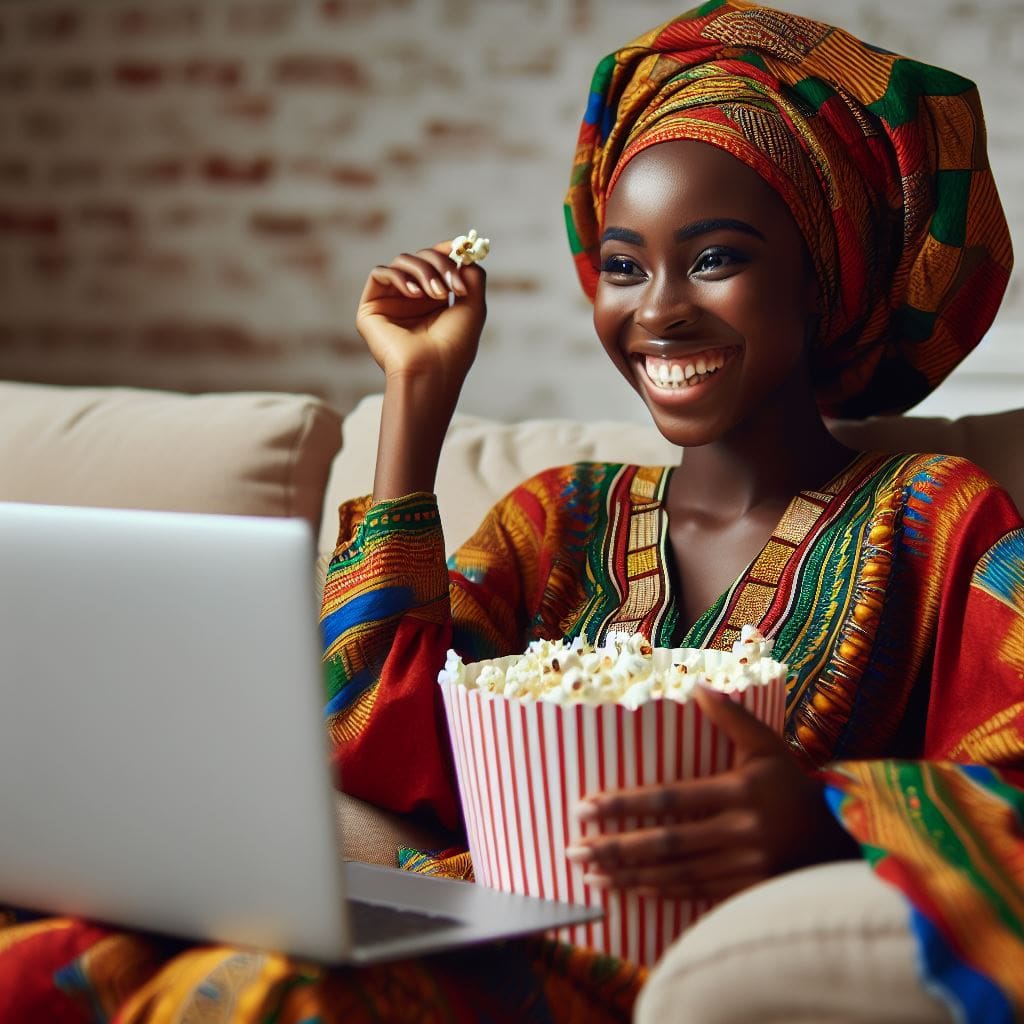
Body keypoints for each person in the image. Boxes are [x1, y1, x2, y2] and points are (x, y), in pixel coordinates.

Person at [1, 4, 1020, 1022]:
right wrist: (415, 397)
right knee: (70, 953)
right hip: (473, 914)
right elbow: (371, 737)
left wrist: (823, 819)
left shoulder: (932, 516)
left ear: (822, 277)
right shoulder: (560, 519)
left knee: (270, 996)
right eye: (624, 266)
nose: (657, 308)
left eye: (715, 259)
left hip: (662, 970)